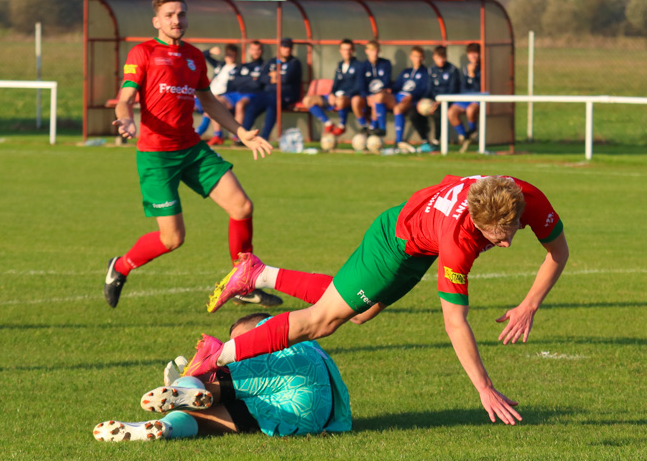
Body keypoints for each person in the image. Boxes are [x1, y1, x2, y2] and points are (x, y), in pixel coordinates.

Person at [198, 175, 569, 426]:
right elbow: (455, 321)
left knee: (360, 312)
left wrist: (529, 304)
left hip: (421, 243)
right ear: (474, 221)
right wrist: (484, 388)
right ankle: (218, 355)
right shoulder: (459, 242)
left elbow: (559, 252)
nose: (504, 243)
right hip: (394, 244)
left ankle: (258, 274)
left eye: (509, 232)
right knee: (321, 321)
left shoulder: (525, 196)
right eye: (496, 237)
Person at [106, 0, 279, 309]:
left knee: (241, 207)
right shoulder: (142, 53)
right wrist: (125, 120)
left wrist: (240, 132)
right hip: (156, 155)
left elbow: (209, 101)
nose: (177, 20)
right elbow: (125, 98)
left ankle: (241, 283)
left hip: (191, 149)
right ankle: (119, 267)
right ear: (156, 21)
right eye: (170, 15)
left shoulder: (194, 57)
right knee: (172, 239)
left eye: (181, 14)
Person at [93, 313, 351, 442]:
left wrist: (192, 377)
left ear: (261, 324)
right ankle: (163, 428)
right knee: (210, 418)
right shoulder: (314, 347)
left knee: (206, 384)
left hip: (289, 368)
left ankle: (184, 388)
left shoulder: (273, 334)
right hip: (312, 417)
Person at [241, 38, 303, 140]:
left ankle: (264, 137)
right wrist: (274, 77)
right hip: (267, 93)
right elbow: (261, 78)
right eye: (284, 47)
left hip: (286, 95)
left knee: (272, 104)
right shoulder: (272, 61)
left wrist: (273, 76)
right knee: (251, 106)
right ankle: (243, 137)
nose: (287, 49)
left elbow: (286, 79)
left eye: (289, 47)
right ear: (280, 48)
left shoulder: (294, 63)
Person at [206, 40, 265, 147]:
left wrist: (248, 81)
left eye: (258, 50)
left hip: (251, 95)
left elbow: (258, 84)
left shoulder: (263, 65)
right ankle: (218, 135)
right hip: (235, 93)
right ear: (249, 51)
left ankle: (237, 135)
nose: (255, 52)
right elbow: (234, 81)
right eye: (253, 49)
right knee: (215, 103)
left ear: (261, 51)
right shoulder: (243, 66)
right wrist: (251, 79)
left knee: (240, 105)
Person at [409, 45, 461, 152]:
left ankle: (436, 141)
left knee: (438, 113)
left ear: (446, 57)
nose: (441, 60)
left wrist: (440, 101)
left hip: (446, 102)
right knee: (413, 113)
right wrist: (423, 100)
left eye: (443, 58)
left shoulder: (452, 70)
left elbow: (453, 90)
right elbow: (429, 89)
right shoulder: (431, 70)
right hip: (433, 102)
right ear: (434, 57)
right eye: (438, 58)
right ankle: (425, 140)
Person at [302, 39, 358, 136]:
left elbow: (358, 86)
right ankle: (329, 123)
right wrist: (332, 94)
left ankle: (342, 126)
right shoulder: (340, 65)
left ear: (353, 50)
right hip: (335, 96)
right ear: (340, 51)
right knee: (307, 100)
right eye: (344, 49)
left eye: (349, 49)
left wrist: (345, 95)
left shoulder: (359, 65)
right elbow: (336, 83)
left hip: (347, 98)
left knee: (340, 101)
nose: (347, 52)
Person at [195, 44, 239, 138]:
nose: (229, 57)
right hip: (207, 94)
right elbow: (201, 56)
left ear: (236, 55)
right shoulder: (220, 65)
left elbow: (236, 86)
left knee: (211, 107)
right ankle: (181, 134)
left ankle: (207, 134)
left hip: (221, 97)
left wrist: (221, 95)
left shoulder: (238, 69)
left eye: (232, 54)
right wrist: (210, 51)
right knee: (186, 105)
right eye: (228, 54)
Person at [391, 46, 429, 152]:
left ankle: (398, 141)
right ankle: (375, 131)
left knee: (398, 109)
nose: (418, 59)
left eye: (420, 56)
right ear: (411, 57)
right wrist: (388, 90)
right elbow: (397, 86)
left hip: (410, 100)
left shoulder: (425, 73)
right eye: (416, 56)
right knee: (378, 98)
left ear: (423, 58)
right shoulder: (405, 72)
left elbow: (424, 89)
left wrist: (413, 95)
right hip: (398, 97)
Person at [351, 40, 393, 136]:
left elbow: (386, 82)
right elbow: (360, 85)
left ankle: (373, 127)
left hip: (380, 96)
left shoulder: (385, 63)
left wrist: (375, 95)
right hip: (366, 96)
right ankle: (364, 126)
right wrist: (367, 96)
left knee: (377, 100)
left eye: (376, 50)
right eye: (372, 50)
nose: (374, 53)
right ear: (367, 51)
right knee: (355, 100)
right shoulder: (362, 66)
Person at [448, 42, 483, 153]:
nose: (473, 56)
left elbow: (479, 88)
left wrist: (472, 75)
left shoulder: (484, 68)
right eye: (470, 53)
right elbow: (463, 86)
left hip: (478, 97)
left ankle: (472, 130)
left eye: (475, 53)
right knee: (451, 113)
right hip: (465, 96)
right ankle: (465, 136)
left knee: (470, 110)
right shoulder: (465, 68)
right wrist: (469, 73)